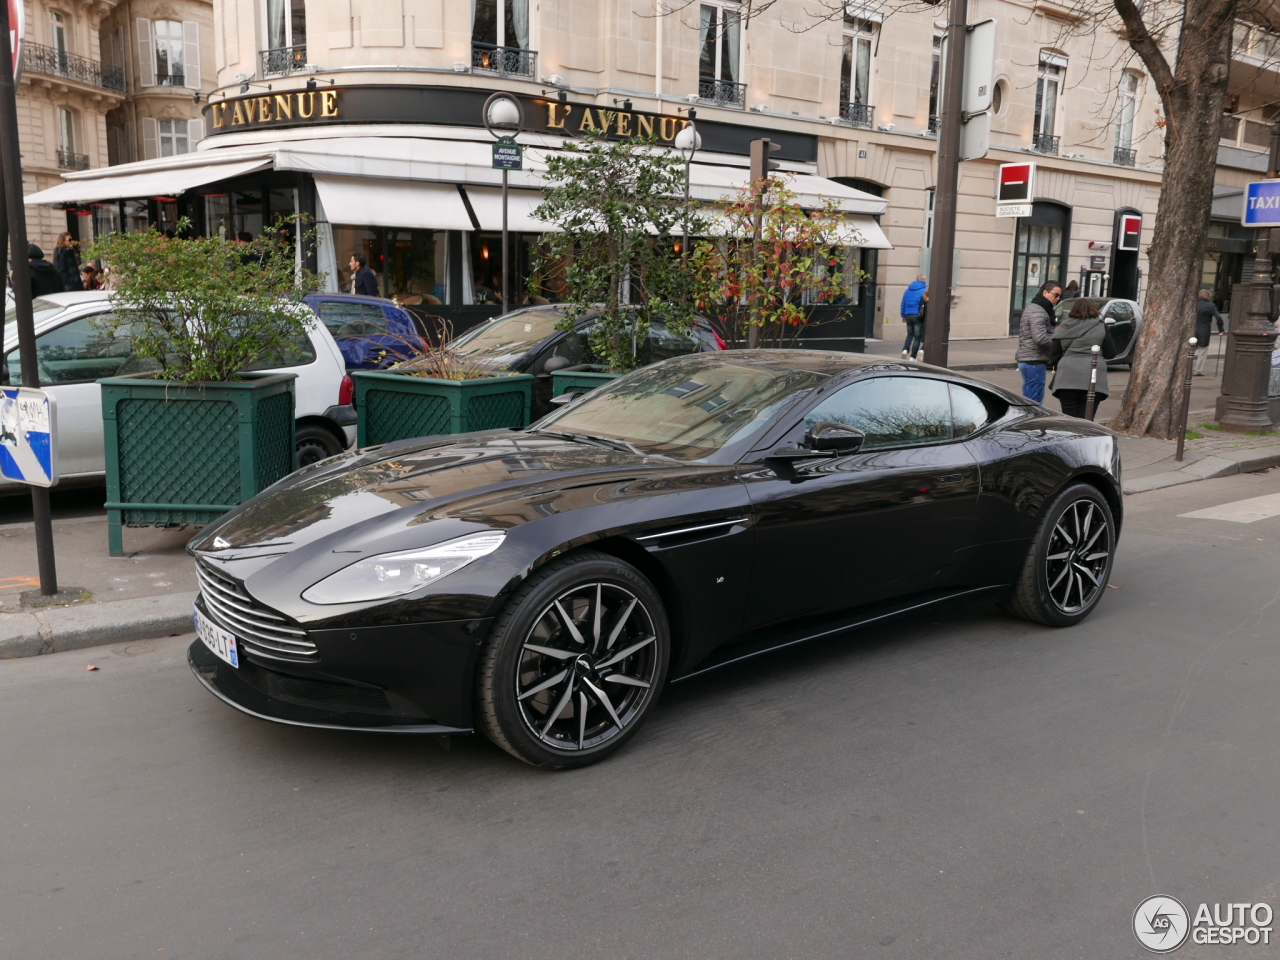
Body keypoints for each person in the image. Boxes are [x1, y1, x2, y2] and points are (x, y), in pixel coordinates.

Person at [1050, 298, 1117, 419]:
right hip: (1093, 376)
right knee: (1087, 418)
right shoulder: (1101, 327)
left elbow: (1054, 354)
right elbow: (1111, 353)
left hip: (1067, 376)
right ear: (1094, 311)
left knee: (1070, 418)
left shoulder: (1064, 326)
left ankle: (1072, 437)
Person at [1016, 281, 1061, 402]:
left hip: (1030, 359)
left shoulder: (1036, 308)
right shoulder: (1039, 311)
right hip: (1033, 360)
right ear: (1045, 292)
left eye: (1059, 296)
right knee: (1034, 402)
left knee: (1029, 398)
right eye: (1056, 295)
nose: (1058, 298)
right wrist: (1058, 342)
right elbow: (1040, 338)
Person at [1194, 288, 1225, 376]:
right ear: (1208, 296)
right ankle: (1198, 370)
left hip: (1192, 330)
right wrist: (1221, 330)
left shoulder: (1194, 303)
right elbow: (1218, 317)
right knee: (1202, 351)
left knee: (1189, 350)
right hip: (1204, 330)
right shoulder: (1210, 305)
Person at [900, 274, 928, 360]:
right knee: (917, 337)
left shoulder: (908, 290)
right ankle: (913, 356)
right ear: (923, 280)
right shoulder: (924, 291)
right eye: (926, 280)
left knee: (909, 335)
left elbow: (903, 304)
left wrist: (903, 315)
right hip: (918, 315)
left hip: (908, 315)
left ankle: (905, 350)